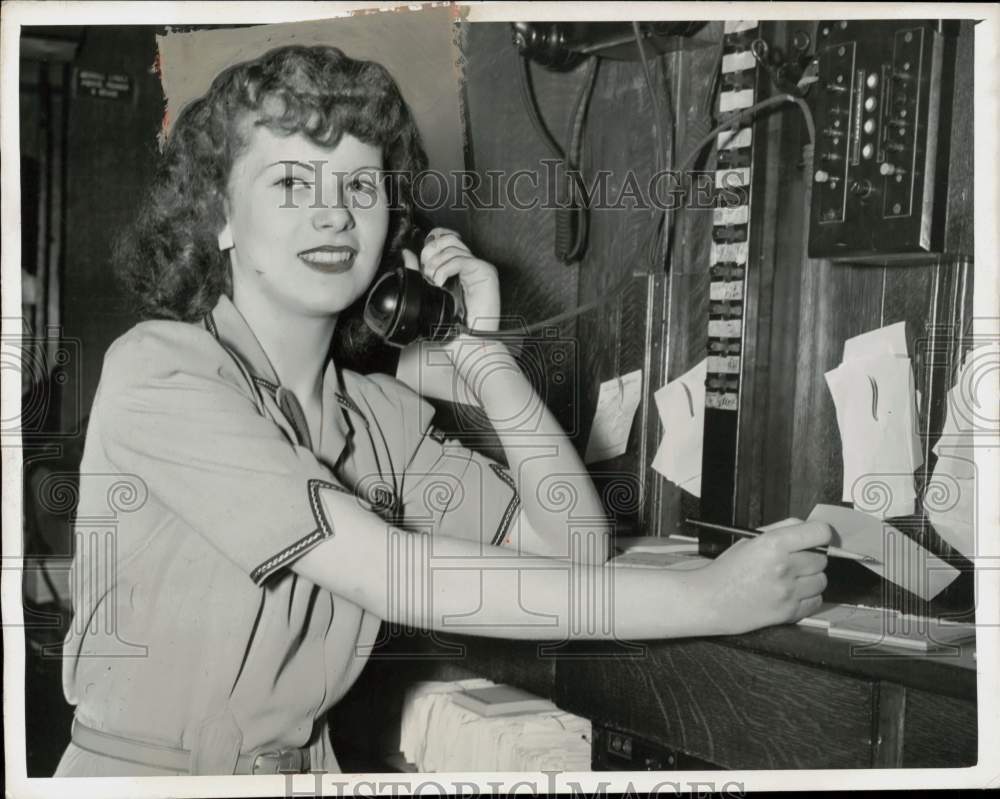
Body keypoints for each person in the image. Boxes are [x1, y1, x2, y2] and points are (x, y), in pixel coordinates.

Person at [54, 45, 831, 777]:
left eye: (361, 187)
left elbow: (575, 546)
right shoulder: (162, 369)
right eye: (292, 184)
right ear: (218, 216)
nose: (334, 214)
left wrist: (479, 352)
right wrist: (710, 597)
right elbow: (388, 573)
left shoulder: (379, 416)